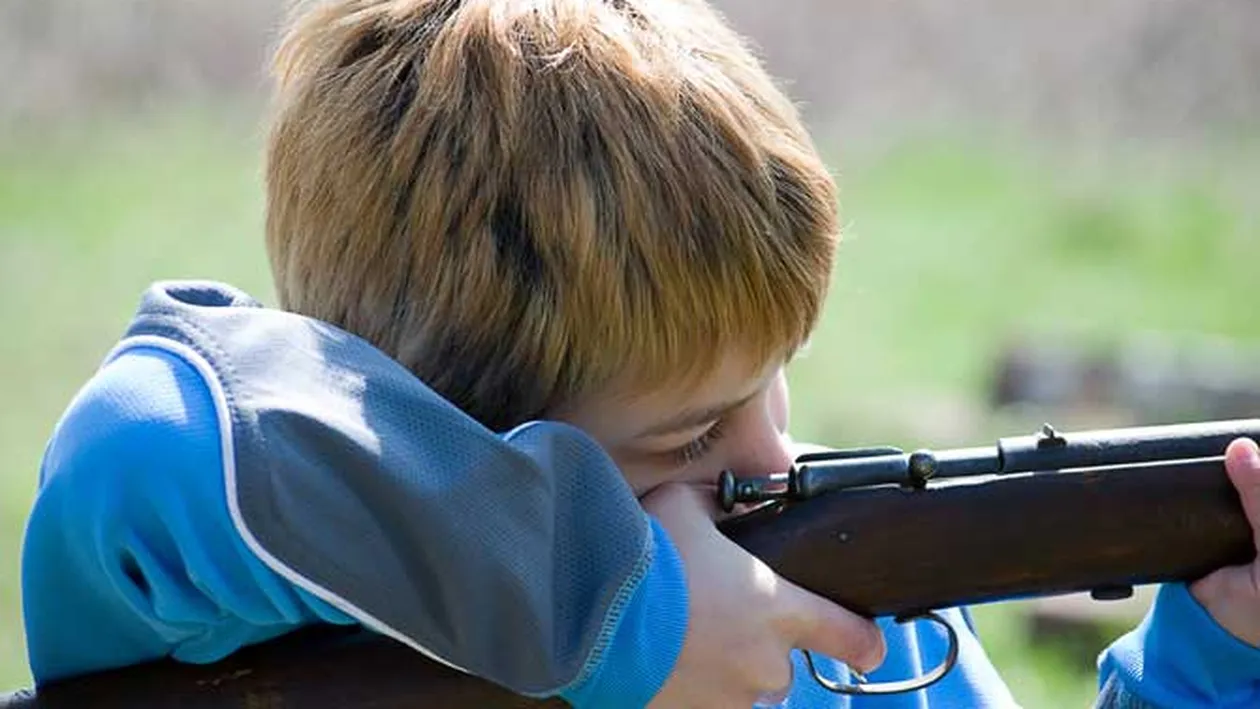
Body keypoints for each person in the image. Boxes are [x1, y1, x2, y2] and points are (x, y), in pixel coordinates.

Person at [19, 0, 1260, 706]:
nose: (777, 451)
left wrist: (1216, 660)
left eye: (770, 378)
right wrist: (620, 612)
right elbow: (154, 439)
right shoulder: (234, 596)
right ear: (439, 427)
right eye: (686, 435)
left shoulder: (849, 641)